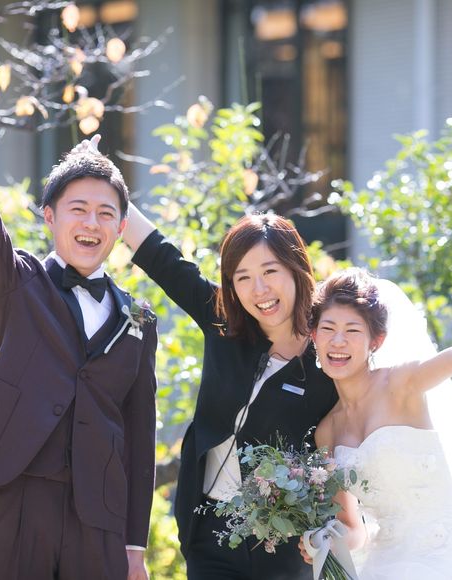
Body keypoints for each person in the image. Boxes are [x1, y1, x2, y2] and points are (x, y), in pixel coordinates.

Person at [0, 123, 157, 580]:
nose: (91, 223)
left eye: (105, 214)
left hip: (100, 514)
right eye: (78, 209)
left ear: (120, 228)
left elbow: (140, 434)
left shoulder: (140, 318)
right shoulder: (20, 282)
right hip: (19, 492)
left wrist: (135, 545)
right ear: (50, 216)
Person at [107, 144, 338, 578]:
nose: (259, 290)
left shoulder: (329, 353)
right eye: (242, 277)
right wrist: (107, 180)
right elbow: (163, 258)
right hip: (208, 531)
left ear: (296, 270)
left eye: (270, 272)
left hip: (285, 545)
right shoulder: (224, 323)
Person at [300, 268, 452, 579]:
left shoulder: (401, 384)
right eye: (328, 328)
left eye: (353, 330)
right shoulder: (327, 432)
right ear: (314, 336)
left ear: (376, 341)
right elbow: (353, 529)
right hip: (386, 563)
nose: (338, 341)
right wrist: (326, 543)